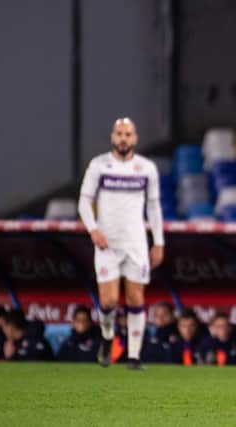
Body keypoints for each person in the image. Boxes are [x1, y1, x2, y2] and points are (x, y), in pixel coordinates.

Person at [78, 117, 165, 370]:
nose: (123, 138)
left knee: (136, 299)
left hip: (136, 243)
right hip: (107, 243)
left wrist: (158, 241)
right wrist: (93, 230)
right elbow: (84, 201)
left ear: (135, 138)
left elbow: (154, 206)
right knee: (108, 301)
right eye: (119, 134)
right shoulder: (99, 165)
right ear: (112, 137)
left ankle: (134, 356)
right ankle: (107, 337)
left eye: (128, 134)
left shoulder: (146, 168)